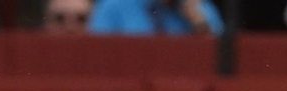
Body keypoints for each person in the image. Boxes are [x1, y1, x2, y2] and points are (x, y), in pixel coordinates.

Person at [89, 0, 222, 33]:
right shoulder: (114, 7)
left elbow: (227, 58)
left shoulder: (200, 8)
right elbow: (98, 55)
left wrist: (200, 25)